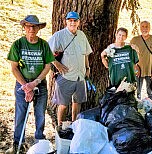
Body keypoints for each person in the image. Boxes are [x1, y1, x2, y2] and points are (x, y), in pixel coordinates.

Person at [6, 15, 55, 153]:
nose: (31, 29)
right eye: (28, 26)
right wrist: (26, 87)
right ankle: (18, 144)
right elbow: (14, 68)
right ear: (24, 27)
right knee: (20, 114)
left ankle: (40, 144)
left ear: (39, 28)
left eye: (34, 26)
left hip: (40, 85)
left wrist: (35, 83)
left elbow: (47, 66)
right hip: (22, 85)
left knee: (40, 114)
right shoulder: (18, 44)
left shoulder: (44, 45)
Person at [48, 11, 93, 126]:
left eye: (75, 20)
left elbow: (86, 54)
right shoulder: (59, 35)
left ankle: (74, 125)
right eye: (70, 20)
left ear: (79, 22)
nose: (73, 23)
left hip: (80, 76)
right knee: (63, 104)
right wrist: (57, 65)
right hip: (66, 76)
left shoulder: (82, 35)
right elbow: (47, 52)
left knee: (77, 103)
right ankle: (60, 126)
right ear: (66, 21)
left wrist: (87, 68)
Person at [130, 21, 152, 100]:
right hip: (138, 70)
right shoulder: (134, 40)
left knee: (151, 92)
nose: (145, 29)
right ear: (140, 28)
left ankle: (151, 109)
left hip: (151, 70)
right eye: (143, 26)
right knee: (136, 92)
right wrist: (134, 66)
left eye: (146, 27)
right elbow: (130, 56)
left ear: (149, 28)